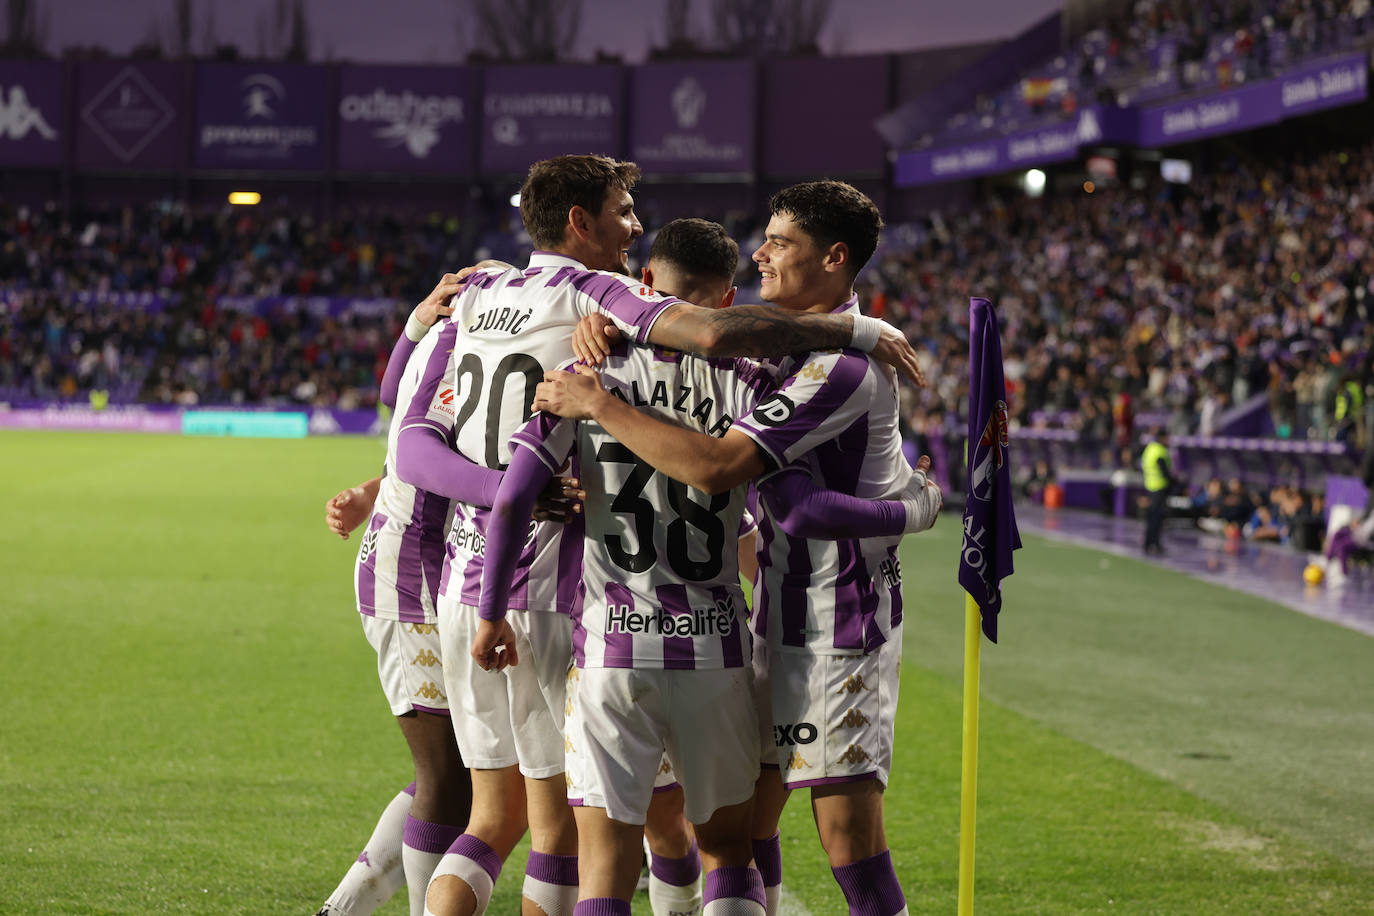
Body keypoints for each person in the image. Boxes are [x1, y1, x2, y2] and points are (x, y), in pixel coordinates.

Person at [389, 156, 924, 916]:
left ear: (649, 289)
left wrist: (485, 601)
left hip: (584, 634)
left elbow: (441, 447)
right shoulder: (750, 379)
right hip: (713, 644)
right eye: (623, 209)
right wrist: (863, 332)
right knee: (727, 852)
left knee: (575, 854)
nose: (632, 225)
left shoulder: (557, 352)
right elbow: (756, 480)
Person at [314, 279, 472, 916]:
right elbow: (412, 443)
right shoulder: (453, 347)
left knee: (470, 772)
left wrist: (368, 489)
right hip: (409, 575)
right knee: (446, 774)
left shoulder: (475, 354)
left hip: (457, 571)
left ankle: (343, 909)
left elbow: (417, 437)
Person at [1142, 429, 1174, 555]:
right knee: (1156, 518)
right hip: (1159, 488)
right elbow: (1164, 472)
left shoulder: (1150, 448)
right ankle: (1155, 544)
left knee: (1151, 517)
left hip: (1150, 486)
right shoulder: (1159, 451)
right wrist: (1174, 481)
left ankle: (1148, 543)